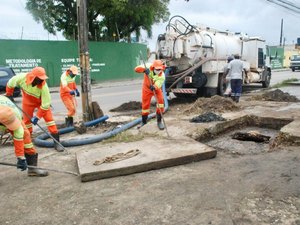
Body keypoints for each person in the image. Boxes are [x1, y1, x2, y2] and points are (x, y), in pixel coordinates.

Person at [5, 66, 64, 151]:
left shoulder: (44, 87)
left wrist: (37, 117)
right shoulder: (22, 78)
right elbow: (10, 83)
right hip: (27, 102)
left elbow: (46, 104)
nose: (41, 81)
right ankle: (28, 143)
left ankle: (57, 143)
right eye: (39, 79)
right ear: (33, 77)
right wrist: (9, 94)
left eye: (42, 79)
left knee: (50, 121)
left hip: (41, 104)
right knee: (27, 122)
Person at [0, 95, 48, 176]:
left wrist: (21, 157)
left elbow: (19, 135)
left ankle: (32, 169)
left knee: (25, 136)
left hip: (9, 114)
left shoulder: (15, 114)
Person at [134, 60, 166, 130]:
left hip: (156, 89)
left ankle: (159, 121)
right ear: (153, 67)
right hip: (146, 89)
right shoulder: (148, 66)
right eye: (157, 69)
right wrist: (144, 70)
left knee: (161, 102)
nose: (159, 70)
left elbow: (159, 83)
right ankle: (144, 121)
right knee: (145, 105)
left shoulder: (162, 75)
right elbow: (136, 69)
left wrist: (154, 87)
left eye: (160, 69)